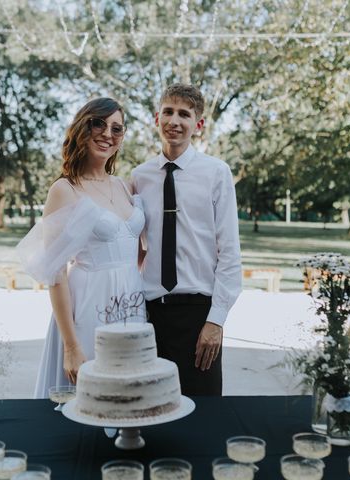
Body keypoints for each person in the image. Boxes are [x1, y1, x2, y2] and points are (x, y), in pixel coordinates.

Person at [16, 97, 146, 399]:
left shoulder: (126, 186)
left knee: (127, 397)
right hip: (89, 305)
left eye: (117, 129)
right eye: (98, 123)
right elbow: (56, 273)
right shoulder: (65, 189)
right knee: (88, 399)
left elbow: (136, 248)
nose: (107, 134)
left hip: (131, 306)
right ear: (81, 127)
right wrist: (72, 346)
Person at [131, 84, 242, 396]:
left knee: (202, 413)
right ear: (157, 117)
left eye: (184, 114)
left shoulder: (216, 173)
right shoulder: (140, 177)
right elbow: (135, 245)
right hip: (150, 313)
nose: (174, 121)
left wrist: (216, 321)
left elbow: (230, 252)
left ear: (199, 124)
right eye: (168, 112)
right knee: (150, 407)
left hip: (198, 315)